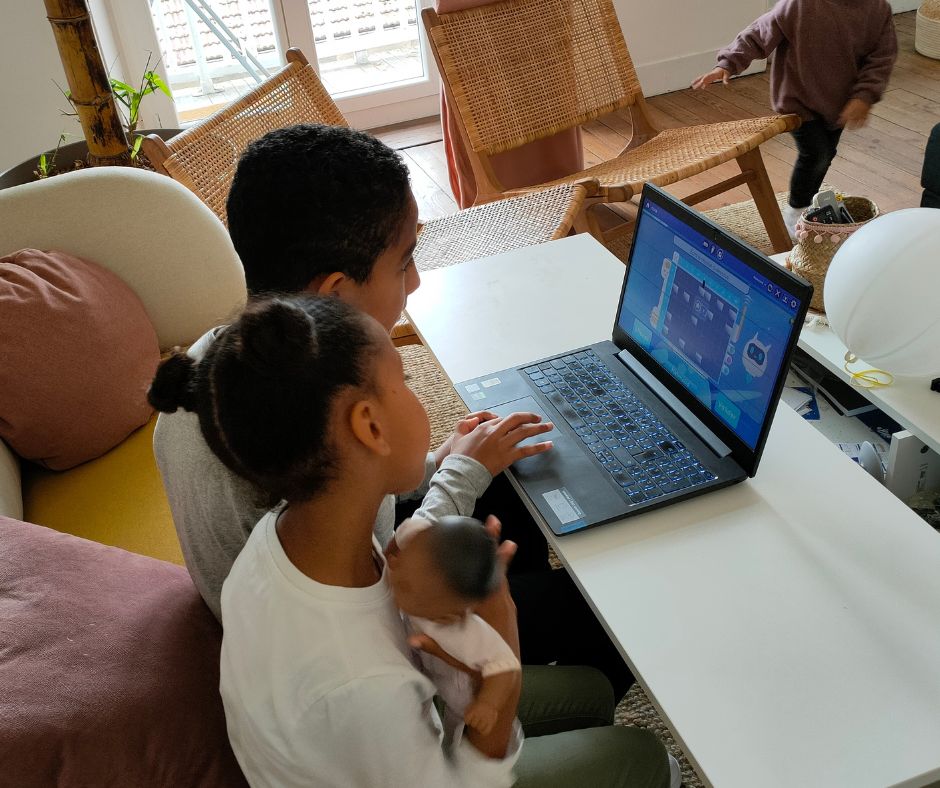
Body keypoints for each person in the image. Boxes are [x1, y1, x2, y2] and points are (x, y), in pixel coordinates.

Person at [152, 123, 635, 705]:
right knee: (612, 617)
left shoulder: (217, 365)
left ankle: (512, 609)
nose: (417, 279)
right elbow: (390, 584)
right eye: (405, 262)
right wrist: (457, 475)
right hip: (361, 646)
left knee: (506, 470)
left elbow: (365, 507)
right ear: (335, 294)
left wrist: (445, 463)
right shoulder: (318, 425)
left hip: (323, 590)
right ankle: (548, 698)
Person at [148, 294, 677, 787]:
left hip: (381, 734)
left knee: (591, 691)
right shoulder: (360, 684)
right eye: (402, 381)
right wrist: (505, 666)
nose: (414, 394)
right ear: (370, 426)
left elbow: (390, 589)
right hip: (410, 752)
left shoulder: (283, 537)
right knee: (643, 756)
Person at [691, 0, 897, 239]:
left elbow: (882, 59)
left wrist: (864, 96)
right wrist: (727, 64)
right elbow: (759, 33)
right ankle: (796, 211)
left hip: (841, 104)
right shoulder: (800, 5)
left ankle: (808, 203)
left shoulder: (877, 10)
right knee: (817, 154)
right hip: (798, 99)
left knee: (826, 154)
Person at [388, 515, 522, 738]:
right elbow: (405, 532)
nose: (394, 567)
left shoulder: (465, 631)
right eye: (402, 560)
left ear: (449, 615)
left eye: (405, 586)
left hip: (458, 685)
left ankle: (452, 737)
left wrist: (488, 703)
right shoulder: (417, 536)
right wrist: (391, 551)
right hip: (423, 664)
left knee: (458, 721)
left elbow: (506, 667)